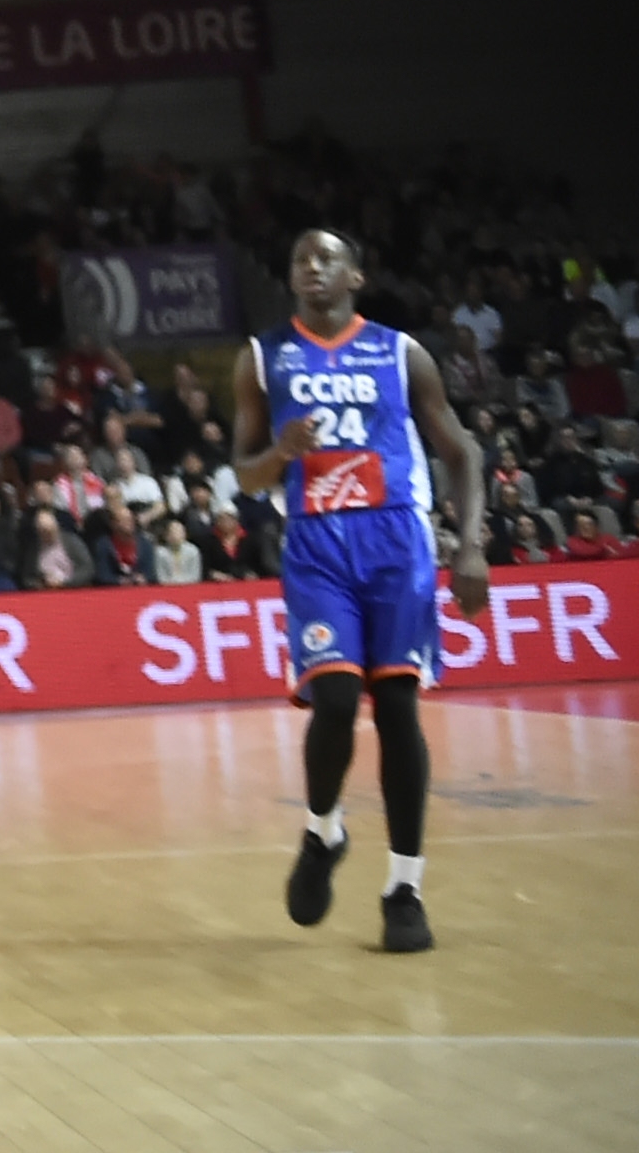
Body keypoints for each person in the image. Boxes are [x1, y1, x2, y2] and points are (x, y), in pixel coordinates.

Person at [234, 228, 490, 954]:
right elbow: (245, 472)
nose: (310, 267)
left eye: (325, 258)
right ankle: (323, 833)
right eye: (298, 260)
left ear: (356, 275)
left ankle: (404, 887)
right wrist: (281, 452)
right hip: (317, 544)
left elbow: (462, 450)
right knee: (338, 700)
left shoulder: (400, 352)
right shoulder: (262, 356)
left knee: (400, 705)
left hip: (395, 541)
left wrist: (471, 544)